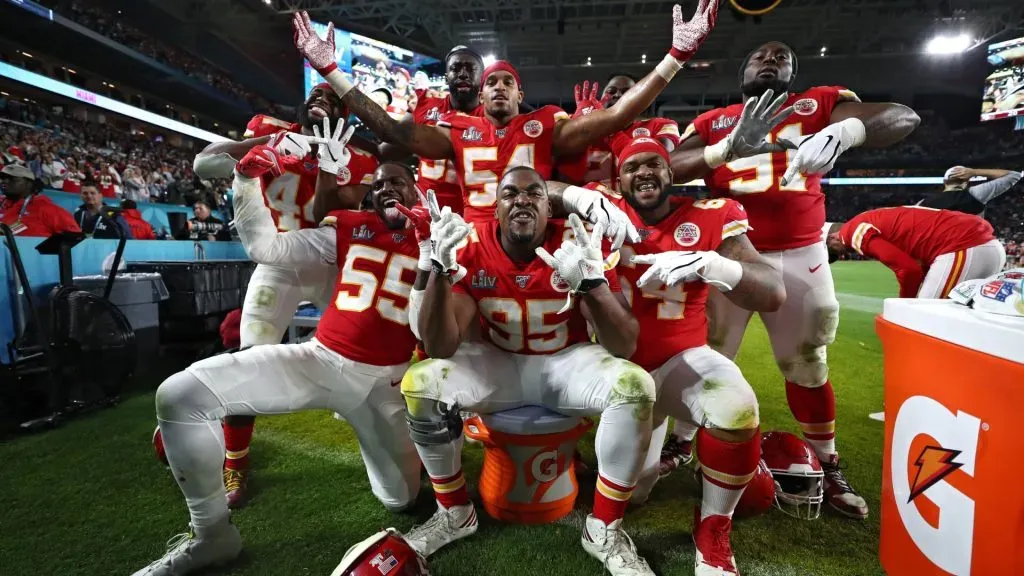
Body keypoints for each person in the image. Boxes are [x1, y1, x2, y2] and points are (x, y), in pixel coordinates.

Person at [130, 150, 422, 576]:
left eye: (397, 181)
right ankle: (212, 535)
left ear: (418, 190)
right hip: (321, 359)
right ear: (367, 199)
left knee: (401, 500)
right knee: (180, 394)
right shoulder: (349, 228)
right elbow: (264, 247)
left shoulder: (441, 234)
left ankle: (386, 447)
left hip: (386, 385)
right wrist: (247, 180)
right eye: (376, 184)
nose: (386, 188)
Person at [663, 40, 921, 519]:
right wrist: (722, 150)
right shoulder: (714, 121)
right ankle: (679, 443)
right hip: (731, 252)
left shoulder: (819, 103)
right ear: (741, 71)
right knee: (704, 356)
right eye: (759, 55)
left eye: (782, 57)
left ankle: (828, 461)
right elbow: (666, 168)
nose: (770, 60)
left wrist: (845, 132)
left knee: (805, 361)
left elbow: (902, 117)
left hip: (800, 252)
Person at [396, 166, 656, 576]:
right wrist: (439, 273)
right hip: (499, 362)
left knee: (635, 386)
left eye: (534, 193)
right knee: (422, 382)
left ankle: (604, 526)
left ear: (547, 205)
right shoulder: (471, 244)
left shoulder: (579, 240)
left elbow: (623, 345)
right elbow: (440, 346)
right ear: (495, 208)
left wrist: (592, 283)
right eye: (509, 193)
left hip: (566, 361)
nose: (521, 200)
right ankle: (454, 513)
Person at [551, 137, 783, 575]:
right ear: (618, 179)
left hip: (680, 359)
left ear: (672, 173)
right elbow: (537, 189)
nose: (644, 172)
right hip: (617, 367)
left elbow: (774, 291)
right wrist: (577, 194)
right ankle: (611, 503)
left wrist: (711, 265)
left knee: (736, 405)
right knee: (635, 492)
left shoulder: (712, 216)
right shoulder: (602, 207)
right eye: (632, 166)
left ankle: (713, 530)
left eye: (654, 164)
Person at [292, 0, 720, 225]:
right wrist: (330, 71)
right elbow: (391, 130)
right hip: (473, 234)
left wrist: (676, 55)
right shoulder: (456, 129)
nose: (498, 87)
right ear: (481, 95)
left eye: (507, 82)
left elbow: (616, 115)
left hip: (535, 230)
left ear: (520, 95)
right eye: (491, 82)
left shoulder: (546, 125)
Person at [192, 88, 378, 507]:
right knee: (250, 359)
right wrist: (267, 145)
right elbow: (203, 164)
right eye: (314, 94)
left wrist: (326, 161)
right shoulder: (269, 128)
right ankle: (235, 462)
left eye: (332, 100)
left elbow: (335, 210)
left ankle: (389, 447)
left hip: (331, 264)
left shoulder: (357, 154)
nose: (320, 101)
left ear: (344, 114)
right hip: (277, 262)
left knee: (365, 354)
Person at [825, 206, 1006, 299]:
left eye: (834, 251)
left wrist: (905, 303)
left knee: (921, 318)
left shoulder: (850, 233)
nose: (840, 255)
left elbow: (909, 270)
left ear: (832, 237)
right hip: (982, 247)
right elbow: (921, 255)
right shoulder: (868, 218)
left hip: (963, 246)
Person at [390, 46, 485, 214]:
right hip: (426, 216)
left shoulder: (494, 114)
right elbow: (388, 144)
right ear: (447, 76)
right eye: (455, 68)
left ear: (482, 76)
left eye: (470, 68)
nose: (463, 73)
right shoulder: (425, 105)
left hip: (474, 219)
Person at [575, 74, 682, 188]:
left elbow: (658, 164)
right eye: (611, 91)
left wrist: (607, 126)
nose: (617, 95)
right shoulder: (586, 128)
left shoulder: (660, 125)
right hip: (585, 202)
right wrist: (577, 125)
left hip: (638, 202)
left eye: (627, 91)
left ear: (640, 97)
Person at [0, 162, 79, 237]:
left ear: (29, 183)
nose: (5, 181)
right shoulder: (2, 205)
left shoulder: (47, 209)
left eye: (12, 178)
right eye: (3, 178)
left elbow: (74, 239)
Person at [920, 165, 1022, 215]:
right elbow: (1014, 175)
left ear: (944, 182)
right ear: (967, 182)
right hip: (970, 248)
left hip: (938, 250)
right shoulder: (974, 194)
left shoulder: (923, 203)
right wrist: (974, 172)